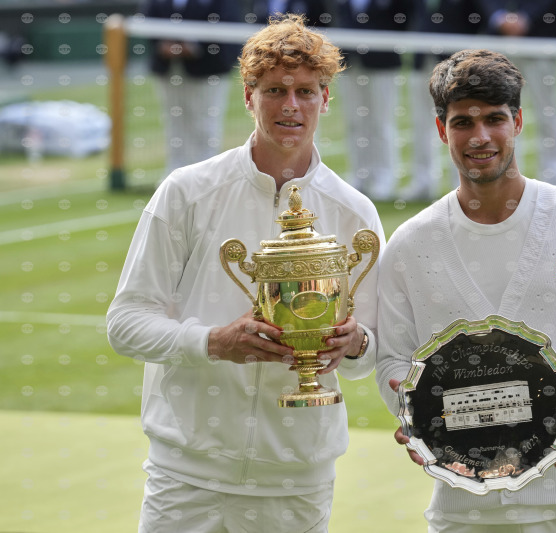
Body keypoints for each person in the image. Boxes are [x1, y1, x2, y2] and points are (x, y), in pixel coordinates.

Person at [107, 14, 384, 532]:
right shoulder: (187, 192)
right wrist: (214, 342)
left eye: (305, 91)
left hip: (296, 478)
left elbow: (370, 351)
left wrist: (355, 343)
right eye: (274, 90)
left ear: (325, 99)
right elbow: (125, 324)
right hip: (186, 476)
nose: (290, 105)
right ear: (248, 96)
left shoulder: (355, 212)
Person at [375, 49, 556, 532]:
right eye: (463, 122)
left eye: (494, 119)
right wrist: (413, 413)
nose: (480, 137)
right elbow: (393, 360)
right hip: (463, 512)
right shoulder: (410, 245)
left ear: (518, 122)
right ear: (442, 130)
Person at [141, 0, 242, 176]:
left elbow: (228, 21)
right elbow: (149, 17)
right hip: (169, 68)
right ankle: (175, 173)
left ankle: (205, 174)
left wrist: (194, 47)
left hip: (207, 69)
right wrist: (163, 46)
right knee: (174, 122)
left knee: (204, 123)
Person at [481, 0, 556, 189]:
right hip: (499, 43)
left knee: (547, 110)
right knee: (499, 113)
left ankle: (554, 176)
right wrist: (499, 18)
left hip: (541, 40)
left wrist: (525, 18)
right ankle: (504, 174)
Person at [402, 0, 485, 202]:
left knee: (461, 122)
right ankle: (423, 181)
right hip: (422, 59)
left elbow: (480, 16)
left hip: (459, 63)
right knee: (421, 122)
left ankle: (461, 183)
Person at [336, 0, 409, 201]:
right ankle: (359, 174)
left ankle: (385, 177)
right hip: (349, 60)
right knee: (354, 122)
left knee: (381, 122)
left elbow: (405, 17)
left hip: (382, 61)